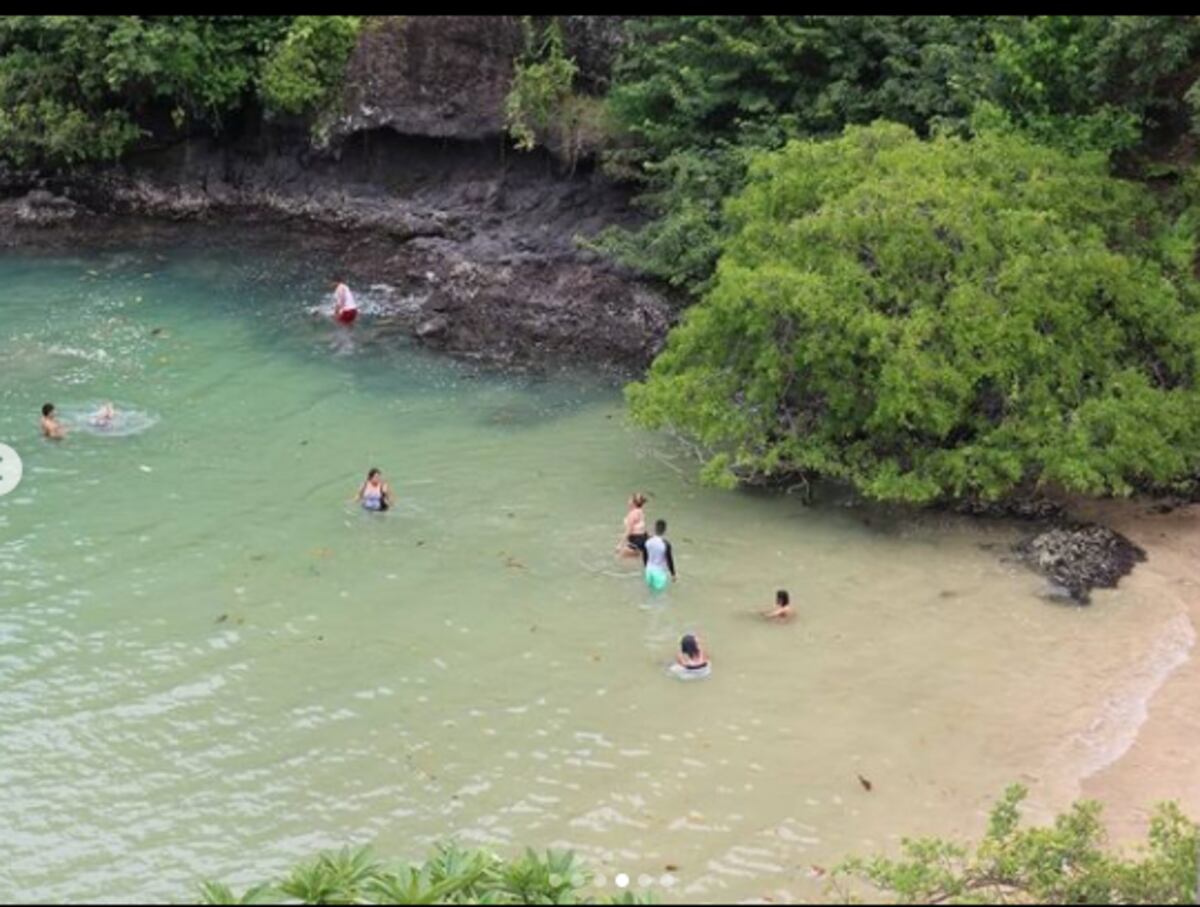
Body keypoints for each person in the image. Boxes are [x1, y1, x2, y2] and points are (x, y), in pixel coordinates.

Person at [642, 518, 676, 592]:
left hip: (648, 570)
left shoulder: (648, 542)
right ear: (665, 530)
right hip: (659, 572)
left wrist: (646, 567)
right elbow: (669, 560)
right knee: (659, 595)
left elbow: (644, 556)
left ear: (655, 528)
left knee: (650, 591)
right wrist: (673, 574)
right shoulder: (666, 544)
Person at [616, 492, 648, 558]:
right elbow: (640, 527)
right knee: (635, 558)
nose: (628, 501)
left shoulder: (632, 514)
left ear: (633, 503)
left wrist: (620, 545)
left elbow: (629, 530)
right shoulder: (640, 511)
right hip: (643, 538)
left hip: (635, 540)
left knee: (618, 556)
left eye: (630, 499)